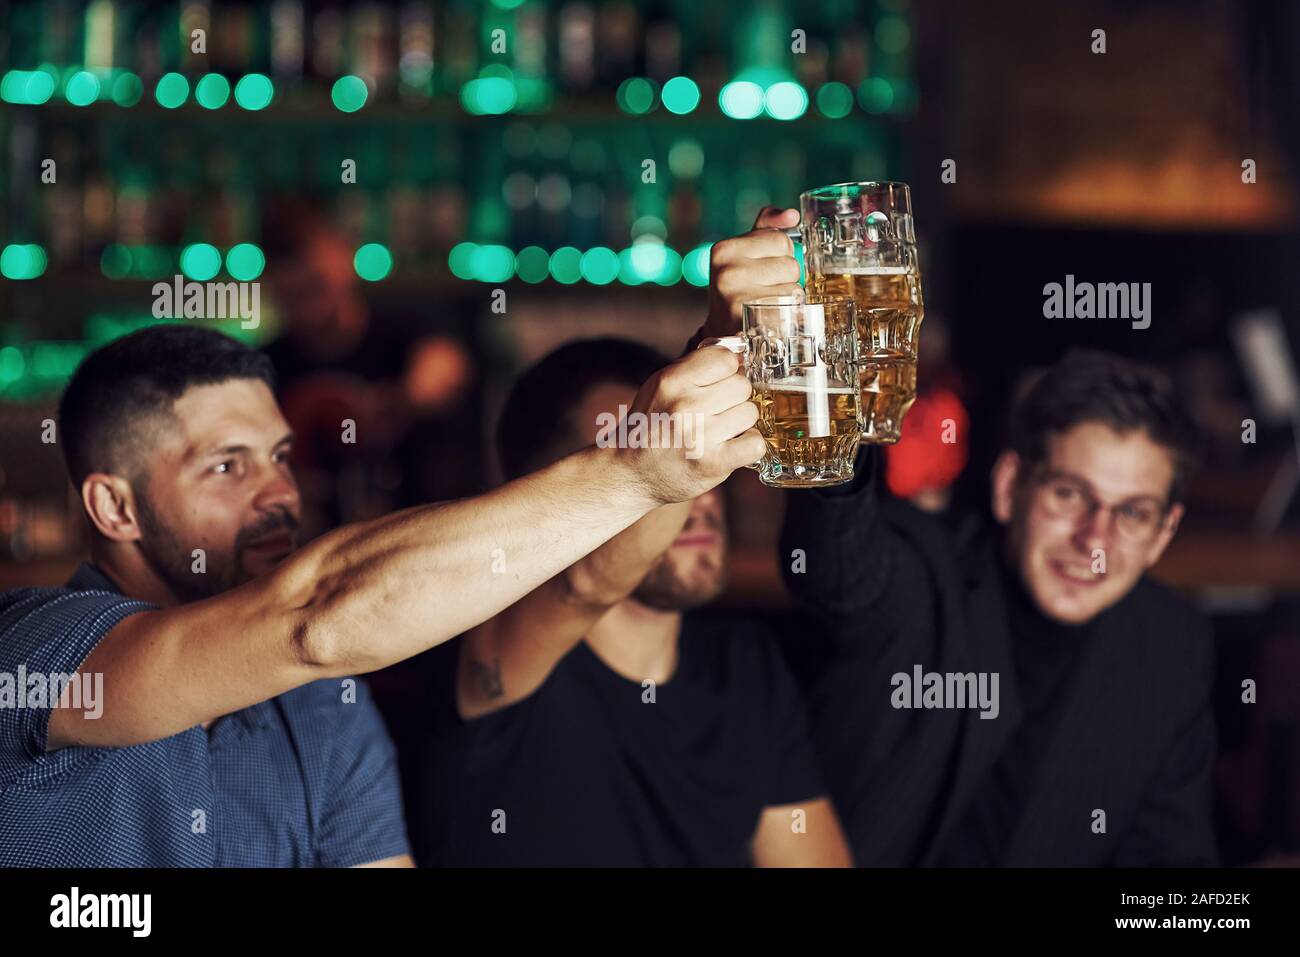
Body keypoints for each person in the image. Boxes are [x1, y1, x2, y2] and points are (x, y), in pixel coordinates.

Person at [0, 324, 763, 866]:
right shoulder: (33, 652)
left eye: (280, 456)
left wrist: (719, 352)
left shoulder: (322, 704)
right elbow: (316, 616)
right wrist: (637, 471)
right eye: (227, 468)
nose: (281, 494)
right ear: (115, 508)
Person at [705, 208, 1217, 866]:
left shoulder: (1170, 644)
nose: (1096, 537)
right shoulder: (922, 576)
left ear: (1164, 531)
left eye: (1133, 511)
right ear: (1009, 487)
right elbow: (839, 563)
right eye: (1069, 494)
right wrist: (820, 379)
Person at [414, 338, 852, 867]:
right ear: (539, 495)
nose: (696, 490)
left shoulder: (746, 666)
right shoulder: (496, 659)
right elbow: (584, 588)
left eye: (698, 449)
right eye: (635, 458)